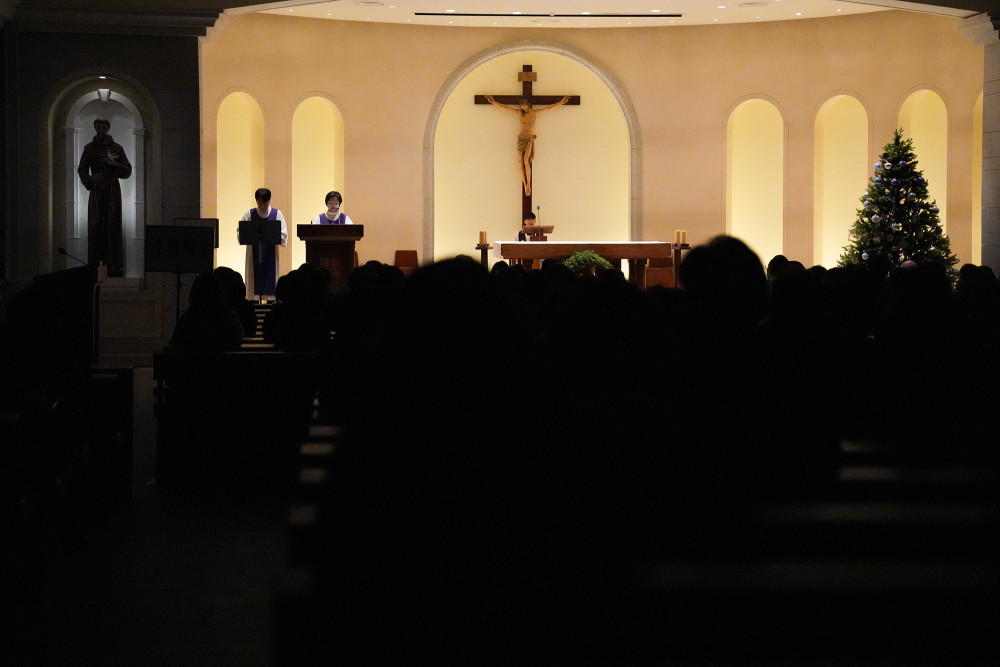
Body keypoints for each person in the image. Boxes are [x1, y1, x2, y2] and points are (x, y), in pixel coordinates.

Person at [484, 94, 572, 196]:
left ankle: (528, 185)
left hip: (529, 139)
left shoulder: (534, 112)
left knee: (526, 161)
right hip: (521, 139)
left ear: (527, 104)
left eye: (524, 106)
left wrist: (560, 103)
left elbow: (548, 108)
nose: (522, 108)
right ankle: (525, 185)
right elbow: (506, 108)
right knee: (520, 162)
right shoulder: (519, 113)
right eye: (521, 106)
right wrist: (494, 102)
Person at [77, 117, 132, 276]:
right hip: (97, 191)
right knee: (95, 225)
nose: (101, 131)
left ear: (108, 129)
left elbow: (127, 170)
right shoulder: (89, 149)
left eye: (104, 128)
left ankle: (113, 264)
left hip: (112, 190)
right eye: (98, 127)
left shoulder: (117, 149)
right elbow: (81, 170)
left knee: (112, 224)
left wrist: (115, 164)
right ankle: (95, 263)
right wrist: (90, 178)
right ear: (95, 128)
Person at [240, 187, 288, 301]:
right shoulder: (249, 214)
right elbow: (241, 231)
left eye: (264, 203)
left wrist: (273, 235)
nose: (261, 206)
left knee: (270, 283)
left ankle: (270, 303)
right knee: (253, 285)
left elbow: (283, 233)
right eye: (259, 203)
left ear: (269, 200)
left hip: (270, 253)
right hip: (253, 253)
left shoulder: (277, 214)